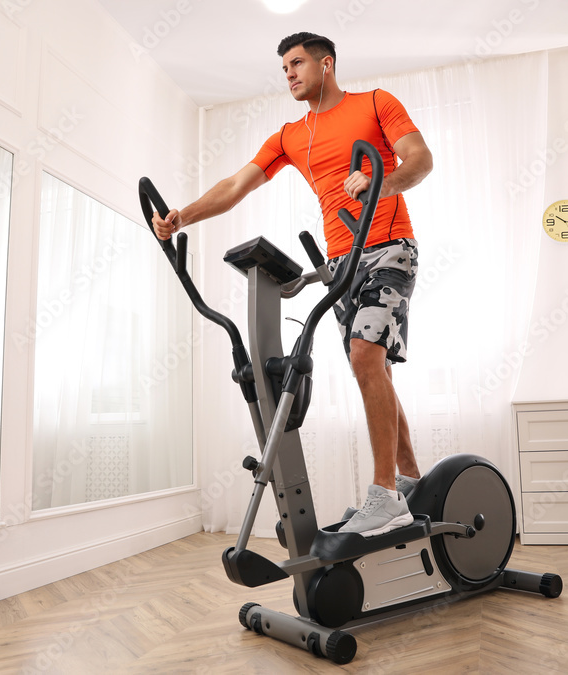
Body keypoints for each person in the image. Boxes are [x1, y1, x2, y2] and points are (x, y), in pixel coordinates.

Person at [153, 32, 433, 537]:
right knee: (374, 368)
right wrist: (182, 217)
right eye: (284, 67)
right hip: (342, 262)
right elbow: (235, 185)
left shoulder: (375, 103)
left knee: (364, 357)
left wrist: (382, 183)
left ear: (326, 64)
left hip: (390, 247)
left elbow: (419, 158)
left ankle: (385, 494)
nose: (289, 74)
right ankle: (409, 480)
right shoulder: (289, 135)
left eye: (297, 63)